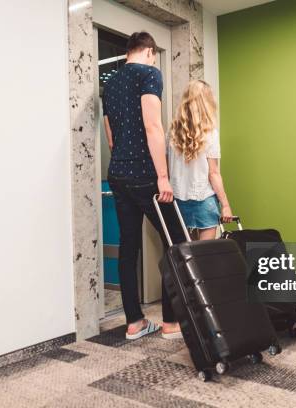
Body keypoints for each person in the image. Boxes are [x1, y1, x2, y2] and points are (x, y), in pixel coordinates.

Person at [103, 32, 184, 340]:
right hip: (145, 175)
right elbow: (153, 125)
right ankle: (171, 322)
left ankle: (134, 322)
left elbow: (110, 135)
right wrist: (162, 176)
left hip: (119, 174)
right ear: (149, 51)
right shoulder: (150, 73)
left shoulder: (110, 82)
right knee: (176, 241)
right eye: (154, 55)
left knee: (128, 248)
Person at [168, 80, 233, 240]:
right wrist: (225, 205)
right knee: (205, 258)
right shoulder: (210, 133)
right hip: (204, 199)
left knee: (185, 258)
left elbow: (167, 166)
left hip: (178, 201)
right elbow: (214, 174)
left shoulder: (171, 132)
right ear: (206, 102)